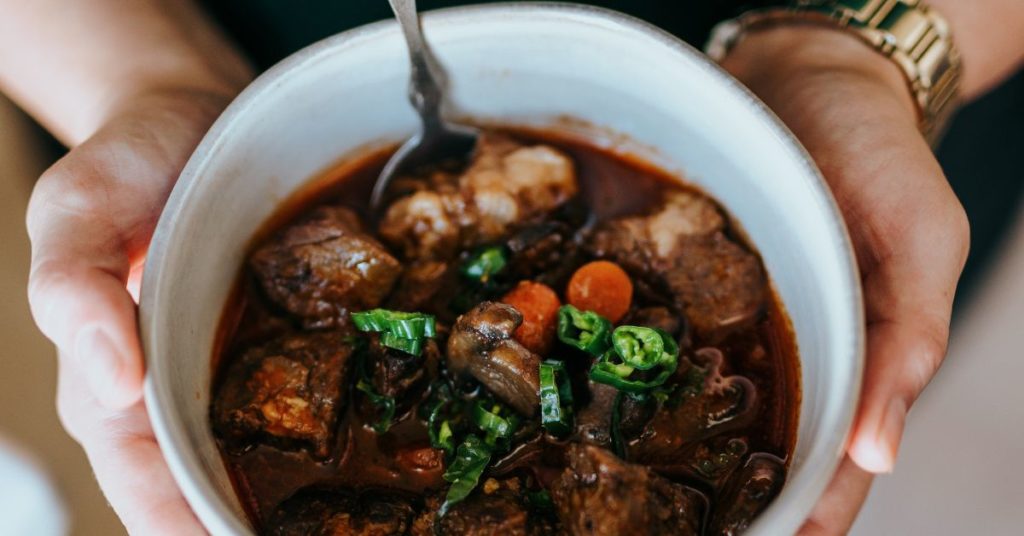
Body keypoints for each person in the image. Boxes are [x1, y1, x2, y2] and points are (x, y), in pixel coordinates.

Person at [0, 0, 1021, 534]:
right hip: (231, 43)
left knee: (875, 335)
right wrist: (143, 73)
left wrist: (874, 46)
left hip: (821, 117)